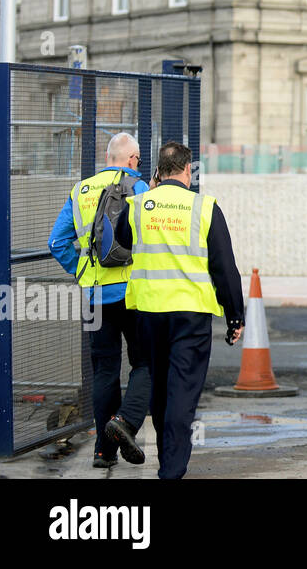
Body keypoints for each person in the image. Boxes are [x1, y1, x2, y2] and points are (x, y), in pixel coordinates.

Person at [112, 140, 245, 480]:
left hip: (148, 313)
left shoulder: (139, 206)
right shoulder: (204, 208)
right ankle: (171, 469)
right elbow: (225, 268)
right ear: (188, 170)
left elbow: (122, 239)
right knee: (182, 392)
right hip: (190, 315)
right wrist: (234, 317)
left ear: (157, 171)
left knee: (159, 390)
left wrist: (152, 195)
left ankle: (167, 461)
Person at [47, 132, 152, 469]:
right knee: (144, 362)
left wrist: (82, 272)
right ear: (132, 158)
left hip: (94, 296)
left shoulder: (81, 191)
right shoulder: (137, 187)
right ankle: (124, 421)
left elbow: (57, 242)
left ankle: (102, 452)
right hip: (132, 294)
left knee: (105, 370)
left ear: (108, 157)